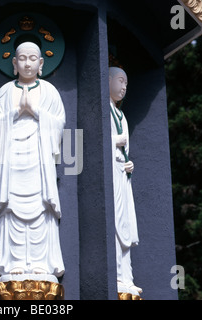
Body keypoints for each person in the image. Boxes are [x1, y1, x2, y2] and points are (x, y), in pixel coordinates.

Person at [0, 41, 65, 280]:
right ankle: (14, 262)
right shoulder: (5, 91)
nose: (27, 63)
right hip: (12, 158)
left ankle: (42, 262)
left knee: (42, 208)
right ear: (14, 63)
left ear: (41, 63)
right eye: (22, 58)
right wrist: (15, 112)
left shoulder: (49, 92)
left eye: (33, 58)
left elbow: (59, 123)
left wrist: (35, 111)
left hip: (39, 158)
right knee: (12, 208)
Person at [109, 67, 142, 296]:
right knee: (114, 224)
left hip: (122, 174)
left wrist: (128, 164)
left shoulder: (122, 116)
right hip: (111, 175)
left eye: (127, 83)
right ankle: (116, 275)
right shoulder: (104, 111)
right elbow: (95, 140)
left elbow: (126, 150)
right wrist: (114, 141)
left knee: (125, 225)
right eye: (120, 81)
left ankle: (127, 277)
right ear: (108, 80)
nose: (124, 87)